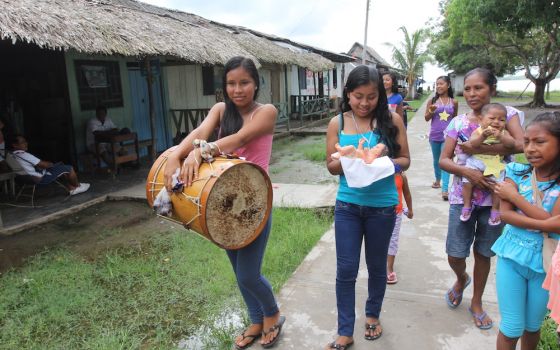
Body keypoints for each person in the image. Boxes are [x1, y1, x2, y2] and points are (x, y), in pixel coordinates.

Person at [162, 56, 284, 349]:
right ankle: (256, 321)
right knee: (238, 271)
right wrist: (176, 157)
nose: (237, 89)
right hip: (220, 203)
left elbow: (241, 136)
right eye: (231, 83)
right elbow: (197, 135)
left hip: (255, 202)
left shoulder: (266, 112)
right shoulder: (220, 109)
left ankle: (273, 314)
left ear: (256, 83)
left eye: (244, 82)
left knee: (249, 273)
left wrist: (203, 151)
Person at [325, 65, 410, 349]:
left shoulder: (392, 120)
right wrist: (347, 161)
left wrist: (385, 162)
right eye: (358, 96)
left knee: (376, 268)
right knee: (346, 270)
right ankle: (345, 330)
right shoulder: (337, 123)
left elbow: (406, 160)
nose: (364, 103)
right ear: (348, 94)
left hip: (383, 207)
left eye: (371, 97)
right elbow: (331, 166)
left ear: (380, 96)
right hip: (348, 206)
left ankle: (372, 315)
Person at [439, 67, 524, 330]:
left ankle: (476, 302)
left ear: (492, 90)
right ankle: (461, 277)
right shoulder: (458, 123)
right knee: (455, 252)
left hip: (496, 197)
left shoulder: (506, 114)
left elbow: (521, 145)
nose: (472, 93)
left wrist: (475, 147)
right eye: (468, 88)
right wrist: (467, 171)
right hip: (462, 195)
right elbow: (444, 160)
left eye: (479, 88)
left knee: (484, 252)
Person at [492, 111, 560, 350]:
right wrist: (547, 223)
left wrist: (515, 198)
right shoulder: (515, 172)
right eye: (527, 142)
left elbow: (557, 223)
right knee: (511, 327)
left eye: (540, 142)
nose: (530, 148)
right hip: (511, 258)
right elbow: (506, 215)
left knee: (532, 326)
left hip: (546, 264)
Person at [461, 103, 516, 225]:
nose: (496, 122)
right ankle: (466, 205)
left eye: (501, 120)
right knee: (466, 182)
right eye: (492, 118)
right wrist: (482, 136)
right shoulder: (478, 130)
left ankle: (495, 209)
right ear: (481, 119)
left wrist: (501, 137)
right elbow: (473, 144)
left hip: (495, 163)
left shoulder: (504, 132)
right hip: (476, 162)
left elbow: (511, 144)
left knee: (498, 187)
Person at [7, 134, 90, 195]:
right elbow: (44, 165)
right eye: (23, 142)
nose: (26, 143)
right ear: (15, 145)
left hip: (25, 179)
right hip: (40, 179)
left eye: (25, 141)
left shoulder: (10, 155)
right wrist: (50, 164)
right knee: (68, 168)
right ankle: (77, 186)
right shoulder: (23, 155)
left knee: (61, 168)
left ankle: (72, 187)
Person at [425, 75, 458, 200]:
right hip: (434, 135)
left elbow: (455, 120)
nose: (438, 86)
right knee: (436, 161)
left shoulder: (453, 102)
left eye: (441, 83)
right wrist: (432, 111)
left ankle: (445, 190)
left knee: (446, 161)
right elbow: (426, 118)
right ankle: (437, 180)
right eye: (436, 84)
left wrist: (457, 138)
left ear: (448, 85)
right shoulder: (432, 101)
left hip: (448, 137)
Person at [387, 171, 413, 284]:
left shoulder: (401, 175)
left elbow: (407, 193)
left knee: (393, 240)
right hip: (378, 212)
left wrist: (410, 209)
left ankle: (389, 269)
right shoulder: (379, 172)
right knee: (379, 239)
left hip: (396, 213)